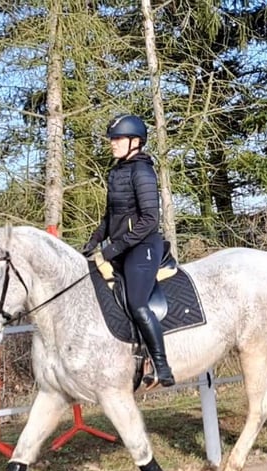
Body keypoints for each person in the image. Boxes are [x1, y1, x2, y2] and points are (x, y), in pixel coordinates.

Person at [81, 114, 175, 388]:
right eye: (113, 138)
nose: (113, 143)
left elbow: (150, 220)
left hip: (143, 247)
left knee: (136, 301)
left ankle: (161, 365)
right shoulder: (117, 172)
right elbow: (111, 216)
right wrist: (95, 239)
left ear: (135, 142)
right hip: (121, 247)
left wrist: (115, 247)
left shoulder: (142, 172)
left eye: (118, 138)